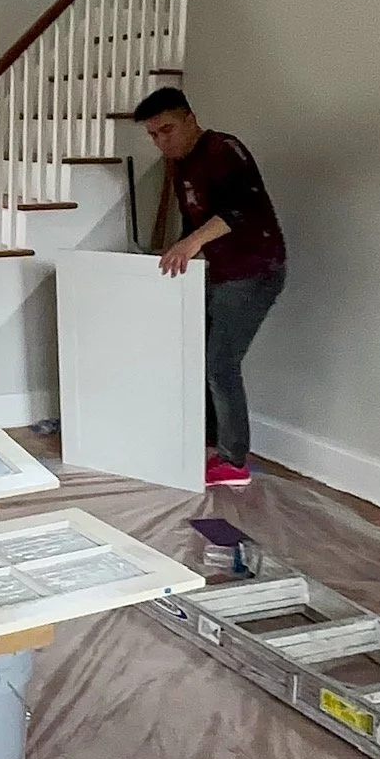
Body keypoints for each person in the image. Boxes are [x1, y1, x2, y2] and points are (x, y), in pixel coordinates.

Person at [133, 87, 286, 489]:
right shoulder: (181, 165)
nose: (161, 141)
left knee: (221, 362)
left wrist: (191, 244)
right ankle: (210, 440)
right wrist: (181, 249)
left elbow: (241, 208)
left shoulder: (223, 150)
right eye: (153, 136)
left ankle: (234, 462)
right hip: (221, 272)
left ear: (189, 118)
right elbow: (193, 221)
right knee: (201, 356)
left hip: (255, 269)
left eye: (166, 130)